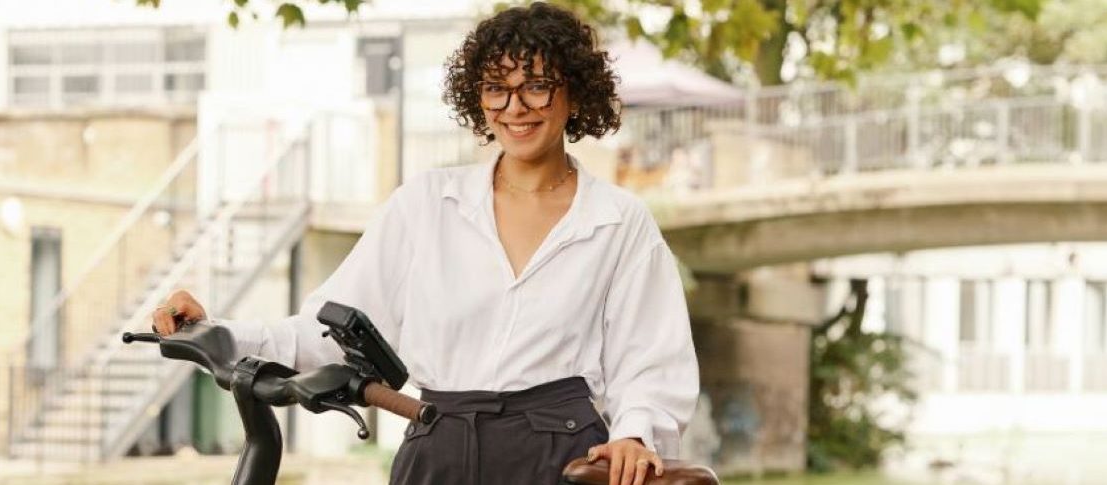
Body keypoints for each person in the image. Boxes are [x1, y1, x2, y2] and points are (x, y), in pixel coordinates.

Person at [152, 3, 699, 485]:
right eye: (496, 89)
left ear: (573, 90)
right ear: (477, 98)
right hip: (436, 446)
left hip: (559, 451)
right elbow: (322, 330)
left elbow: (649, 360)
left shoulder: (618, 222)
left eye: (536, 85)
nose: (514, 106)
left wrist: (634, 434)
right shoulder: (426, 205)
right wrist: (216, 330)